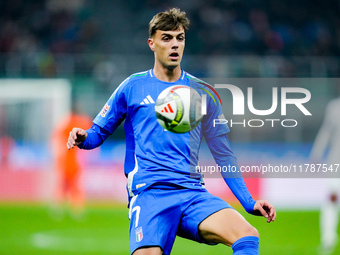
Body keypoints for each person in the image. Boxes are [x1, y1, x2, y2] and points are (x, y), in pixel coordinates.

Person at [67, 8, 276, 255]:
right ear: (152, 43)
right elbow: (97, 134)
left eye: (180, 38)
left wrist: (248, 201)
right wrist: (83, 137)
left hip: (192, 194)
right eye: (167, 38)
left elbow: (224, 155)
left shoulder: (203, 93)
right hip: (150, 195)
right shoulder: (132, 87)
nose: (175, 44)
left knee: (247, 235)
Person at [310, 85, 340, 254]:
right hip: (336, 162)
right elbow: (326, 132)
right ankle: (328, 238)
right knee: (332, 199)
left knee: (331, 201)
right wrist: (317, 153)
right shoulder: (335, 107)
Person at [51, 102, 92, 218]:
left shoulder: (67, 122)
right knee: (75, 186)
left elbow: (56, 138)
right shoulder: (81, 122)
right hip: (75, 161)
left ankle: (58, 209)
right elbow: (91, 135)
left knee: (63, 185)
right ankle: (77, 210)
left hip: (65, 160)